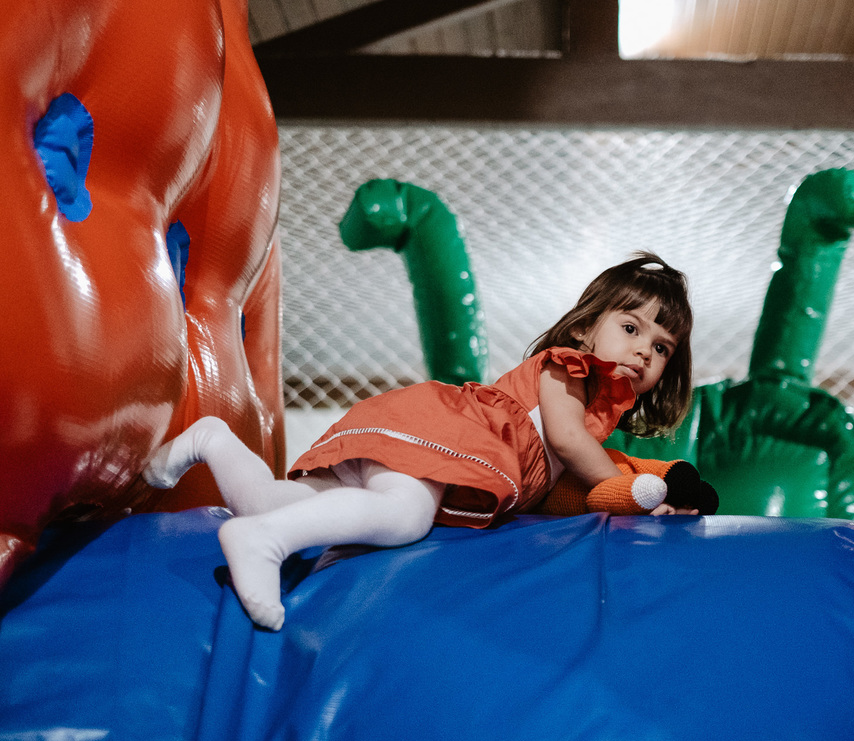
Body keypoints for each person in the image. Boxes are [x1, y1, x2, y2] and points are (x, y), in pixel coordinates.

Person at [143, 251, 698, 631]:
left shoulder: (602, 414)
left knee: (271, 498)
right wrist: (628, 484)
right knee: (405, 515)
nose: (644, 351)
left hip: (427, 446)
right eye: (631, 328)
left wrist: (652, 503)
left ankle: (214, 442)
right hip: (444, 437)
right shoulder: (567, 369)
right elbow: (568, 441)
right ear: (584, 328)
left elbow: (570, 489)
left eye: (662, 347)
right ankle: (263, 541)